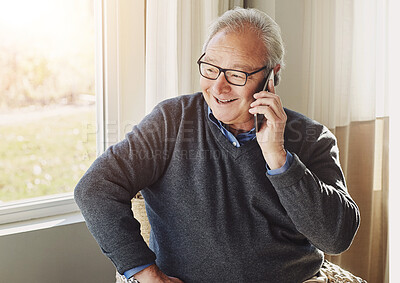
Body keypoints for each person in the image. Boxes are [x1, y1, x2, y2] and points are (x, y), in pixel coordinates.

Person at [74, 7, 360, 283]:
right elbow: (95, 188)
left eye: (237, 74)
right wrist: (146, 272)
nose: (218, 87)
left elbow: (335, 238)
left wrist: (278, 156)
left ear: (271, 77)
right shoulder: (170, 122)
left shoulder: (312, 137)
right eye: (211, 69)